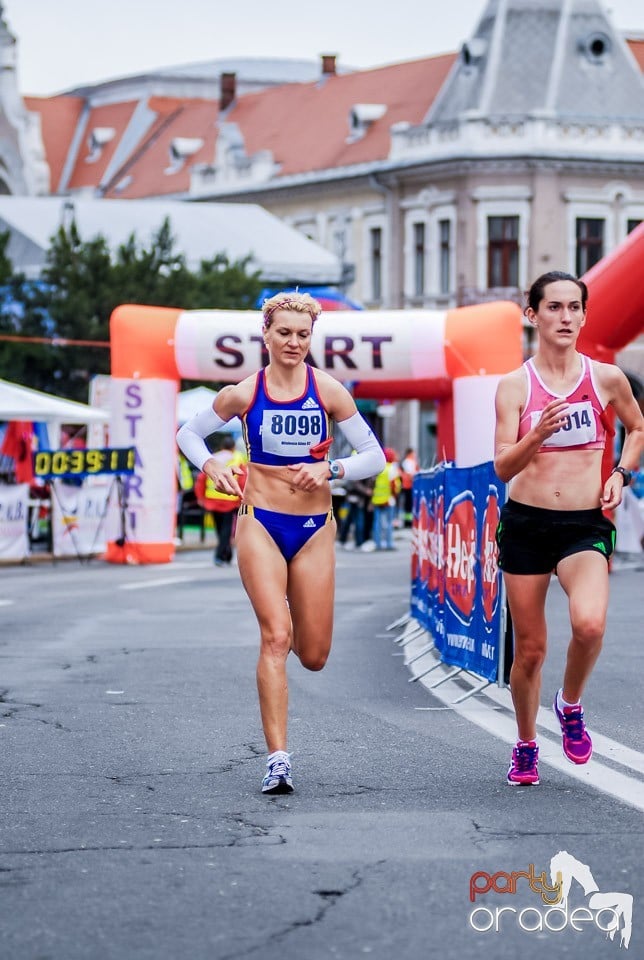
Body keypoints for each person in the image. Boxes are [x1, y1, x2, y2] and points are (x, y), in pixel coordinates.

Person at [176, 292, 386, 794]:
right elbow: (189, 433)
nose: (293, 342)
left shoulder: (330, 391)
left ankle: (296, 628)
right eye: (284, 333)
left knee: (313, 654)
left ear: (311, 338)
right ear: (265, 335)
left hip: (314, 530)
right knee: (276, 637)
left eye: (302, 334)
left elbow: (373, 456)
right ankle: (277, 759)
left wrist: (329, 469)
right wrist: (211, 465)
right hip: (259, 522)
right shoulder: (244, 393)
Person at [494, 271, 644, 787]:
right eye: (553, 307)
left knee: (590, 625)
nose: (565, 317)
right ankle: (526, 743)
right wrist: (536, 433)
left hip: (584, 523)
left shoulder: (606, 378)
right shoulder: (515, 385)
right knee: (530, 650)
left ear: (584, 315)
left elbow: (638, 427)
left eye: (573, 307)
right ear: (532, 314)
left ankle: (570, 704)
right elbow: (502, 467)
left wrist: (621, 473)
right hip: (527, 525)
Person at [194, 435, 246, 566]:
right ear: (233, 447)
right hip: (230, 500)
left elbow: (201, 478)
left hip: (212, 499)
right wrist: (242, 497)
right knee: (226, 530)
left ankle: (226, 554)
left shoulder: (213, 458)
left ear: (222, 446)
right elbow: (243, 479)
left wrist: (200, 497)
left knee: (220, 529)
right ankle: (220, 555)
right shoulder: (238, 458)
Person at [370, 448, 401, 550]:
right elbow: (394, 485)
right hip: (388, 500)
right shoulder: (391, 468)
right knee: (388, 523)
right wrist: (395, 495)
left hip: (377, 499)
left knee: (377, 523)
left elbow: (373, 483)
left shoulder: (378, 468)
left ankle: (377, 544)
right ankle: (389, 544)